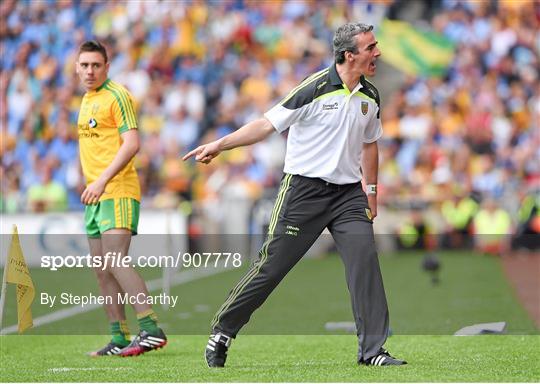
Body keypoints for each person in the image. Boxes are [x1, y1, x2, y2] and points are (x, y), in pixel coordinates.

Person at [183, 23, 406, 367]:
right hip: (304, 192)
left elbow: (370, 143)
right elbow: (265, 125)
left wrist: (371, 192)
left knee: (365, 261)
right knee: (272, 267)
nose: (377, 53)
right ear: (350, 56)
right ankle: (223, 330)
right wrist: (220, 144)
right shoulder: (314, 89)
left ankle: (373, 351)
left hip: (348, 196)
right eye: (371, 47)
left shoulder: (370, 96)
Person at [76, 40, 166, 356]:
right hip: (95, 194)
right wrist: (87, 181)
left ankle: (151, 329)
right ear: (77, 67)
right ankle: (119, 337)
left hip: (117, 190)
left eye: (95, 65)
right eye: (84, 65)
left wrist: (101, 180)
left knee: (115, 259)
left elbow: (132, 143)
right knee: (102, 268)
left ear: (106, 67)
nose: (90, 71)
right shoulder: (87, 100)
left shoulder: (118, 95)